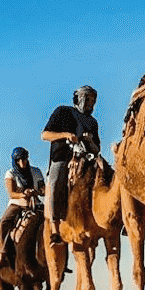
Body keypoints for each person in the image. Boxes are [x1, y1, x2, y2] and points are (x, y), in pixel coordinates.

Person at [39, 84, 102, 241]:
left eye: (93, 101)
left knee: (107, 173)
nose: (91, 104)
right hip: (62, 157)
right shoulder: (63, 112)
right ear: (79, 99)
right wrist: (66, 135)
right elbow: (45, 135)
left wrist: (89, 141)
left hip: (86, 158)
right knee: (56, 180)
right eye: (88, 100)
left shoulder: (92, 122)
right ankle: (55, 229)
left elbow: (96, 149)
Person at [0, 146, 44, 262]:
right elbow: (11, 193)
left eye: (24, 159)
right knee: (3, 223)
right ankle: (2, 254)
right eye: (19, 160)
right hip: (17, 204)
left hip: (35, 203)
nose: (22, 162)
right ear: (15, 161)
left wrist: (36, 192)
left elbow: (44, 189)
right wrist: (23, 194)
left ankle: (59, 254)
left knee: (53, 219)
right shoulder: (10, 173)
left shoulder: (36, 171)